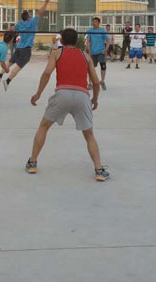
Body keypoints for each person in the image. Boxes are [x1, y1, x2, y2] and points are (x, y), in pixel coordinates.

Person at [26, 28, 109, 182]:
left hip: (62, 94)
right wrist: (95, 99)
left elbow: (47, 73)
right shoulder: (86, 56)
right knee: (89, 135)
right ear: (77, 41)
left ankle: (32, 163)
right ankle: (99, 170)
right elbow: (96, 82)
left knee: (44, 127)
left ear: (62, 40)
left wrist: (38, 94)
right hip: (82, 96)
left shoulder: (57, 53)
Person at [2, 0, 54, 90]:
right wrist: (46, 1)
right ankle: (7, 81)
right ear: (28, 17)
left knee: (11, 62)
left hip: (19, 47)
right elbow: (40, 12)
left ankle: (0, 75)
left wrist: (3, 33)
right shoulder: (32, 22)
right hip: (25, 49)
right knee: (18, 66)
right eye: (29, 14)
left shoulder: (20, 23)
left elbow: (11, 29)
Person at [85, 17, 110, 90]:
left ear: (99, 23)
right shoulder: (90, 30)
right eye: (93, 21)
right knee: (91, 68)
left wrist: (106, 50)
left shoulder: (102, 30)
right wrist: (89, 51)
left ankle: (102, 81)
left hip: (101, 51)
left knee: (103, 66)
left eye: (95, 22)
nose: (94, 23)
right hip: (93, 52)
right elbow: (88, 41)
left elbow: (108, 41)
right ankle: (90, 83)